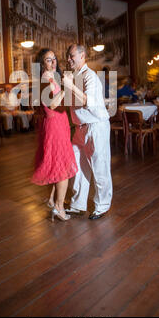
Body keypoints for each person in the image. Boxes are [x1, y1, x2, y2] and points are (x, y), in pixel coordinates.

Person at [64, 44, 113, 220]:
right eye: (68, 56)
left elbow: (88, 102)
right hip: (79, 128)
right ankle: (78, 204)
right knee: (77, 166)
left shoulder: (90, 76)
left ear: (82, 55)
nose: (68, 59)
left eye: (71, 56)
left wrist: (70, 85)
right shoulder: (73, 76)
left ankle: (102, 205)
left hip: (95, 125)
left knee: (100, 166)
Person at [31, 48, 78, 221]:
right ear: (41, 63)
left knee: (55, 164)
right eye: (48, 59)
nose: (53, 62)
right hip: (55, 126)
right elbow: (52, 105)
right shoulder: (45, 79)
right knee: (63, 168)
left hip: (59, 123)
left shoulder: (51, 78)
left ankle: (52, 200)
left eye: (54, 58)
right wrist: (67, 87)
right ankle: (59, 208)